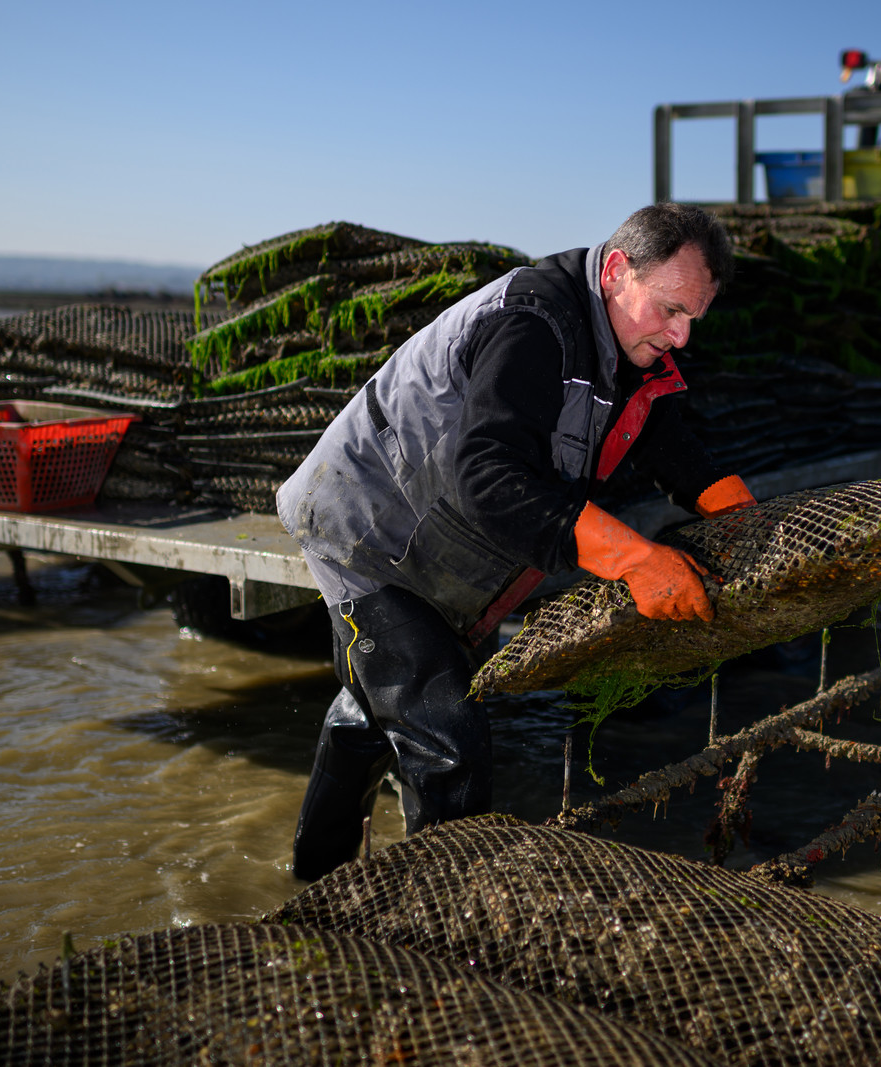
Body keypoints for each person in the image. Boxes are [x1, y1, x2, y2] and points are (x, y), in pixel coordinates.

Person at [276, 203, 757, 880]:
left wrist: (740, 514)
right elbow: (490, 478)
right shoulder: (536, 322)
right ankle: (445, 940)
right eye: (671, 310)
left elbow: (665, 441)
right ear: (618, 271)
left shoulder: (627, 348)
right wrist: (635, 559)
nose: (680, 336)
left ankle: (309, 884)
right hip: (368, 530)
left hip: (439, 545)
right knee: (450, 740)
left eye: (692, 320)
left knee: (375, 707)